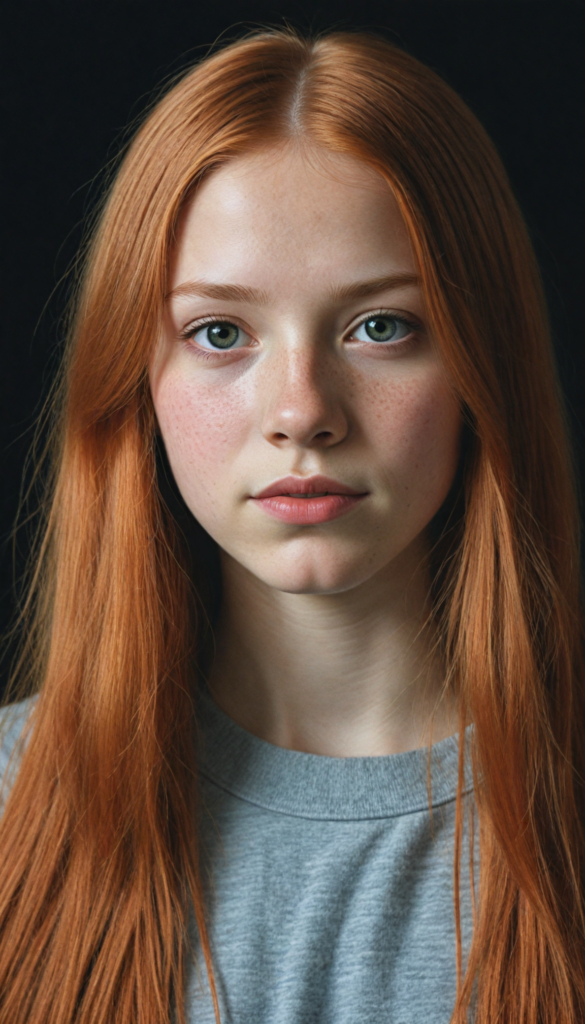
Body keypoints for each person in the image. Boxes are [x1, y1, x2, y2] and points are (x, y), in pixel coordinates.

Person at [0, 27, 583, 1024]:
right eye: (220, 332)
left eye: (380, 325)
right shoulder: (13, 809)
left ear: (481, 367)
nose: (302, 408)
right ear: (133, 382)